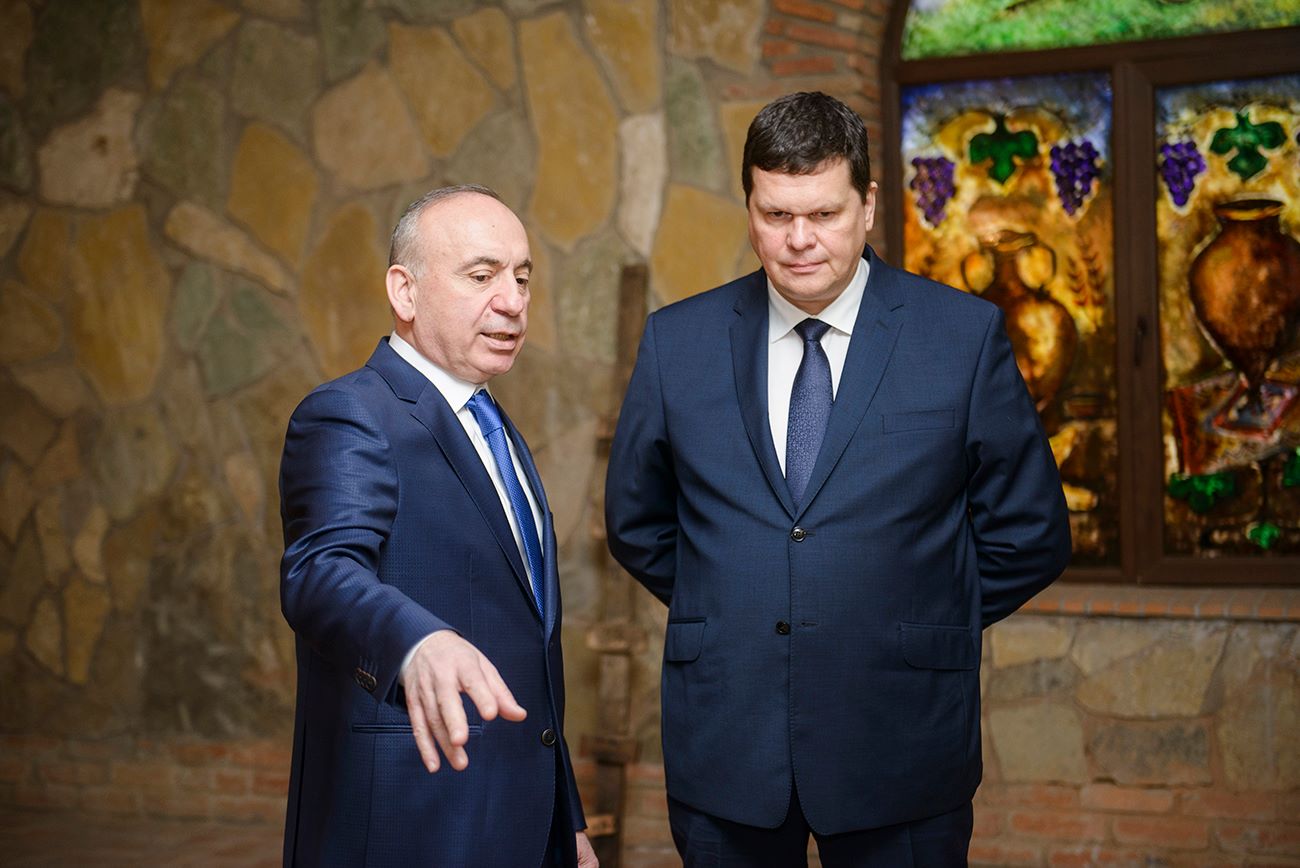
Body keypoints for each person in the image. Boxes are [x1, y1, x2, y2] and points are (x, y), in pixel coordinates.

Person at [605, 92, 1071, 866]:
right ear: (750, 207)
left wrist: (915, 611)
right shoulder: (675, 343)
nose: (798, 240)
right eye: (775, 214)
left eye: (823, 214)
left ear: (868, 205)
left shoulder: (961, 338)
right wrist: (737, 598)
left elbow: (1031, 534)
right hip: (728, 741)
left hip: (902, 741)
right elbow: (637, 523)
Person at [279, 185, 597, 868]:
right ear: (406, 291)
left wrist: (565, 821)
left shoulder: (494, 426)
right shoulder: (350, 413)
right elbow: (320, 572)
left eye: (521, 278)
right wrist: (415, 641)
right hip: (413, 823)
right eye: (481, 276)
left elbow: (529, 652)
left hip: (524, 821)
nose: (512, 301)